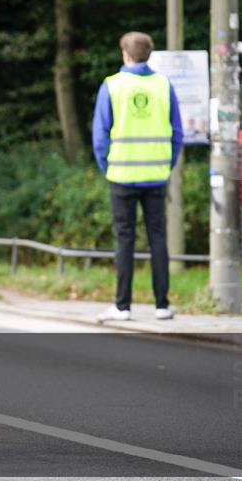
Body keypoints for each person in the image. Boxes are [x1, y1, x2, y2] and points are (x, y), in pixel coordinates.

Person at [92, 32, 183, 322]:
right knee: (158, 238)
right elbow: (177, 132)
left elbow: (99, 136)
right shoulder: (163, 85)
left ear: (126, 55)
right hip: (156, 176)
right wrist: (166, 165)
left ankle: (123, 306)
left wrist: (108, 167)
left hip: (121, 175)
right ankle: (162, 305)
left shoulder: (112, 86)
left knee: (125, 240)